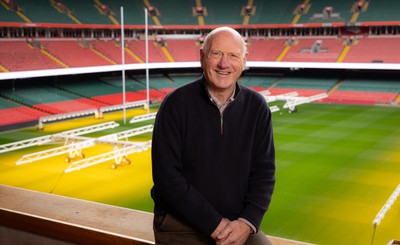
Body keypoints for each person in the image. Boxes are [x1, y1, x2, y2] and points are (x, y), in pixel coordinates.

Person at [151, 26, 276, 245]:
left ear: (244, 61)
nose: (224, 64)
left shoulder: (257, 107)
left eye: (233, 56)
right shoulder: (175, 105)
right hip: (180, 223)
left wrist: (247, 222)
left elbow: (264, 172)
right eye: (216, 54)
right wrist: (214, 224)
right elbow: (166, 178)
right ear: (202, 57)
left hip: (237, 223)